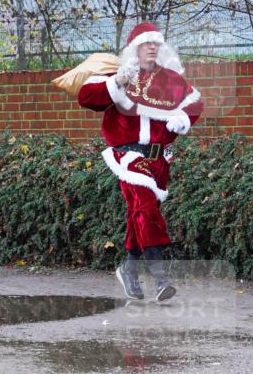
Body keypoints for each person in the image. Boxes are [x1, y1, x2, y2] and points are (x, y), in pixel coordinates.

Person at [77, 22, 204, 301]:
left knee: (140, 214)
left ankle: (129, 269)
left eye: (155, 43)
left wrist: (181, 118)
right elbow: (86, 97)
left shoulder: (169, 78)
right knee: (146, 210)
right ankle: (160, 280)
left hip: (160, 160)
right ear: (134, 48)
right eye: (146, 43)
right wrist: (118, 82)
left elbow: (195, 101)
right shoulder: (118, 74)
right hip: (129, 156)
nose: (152, 48)